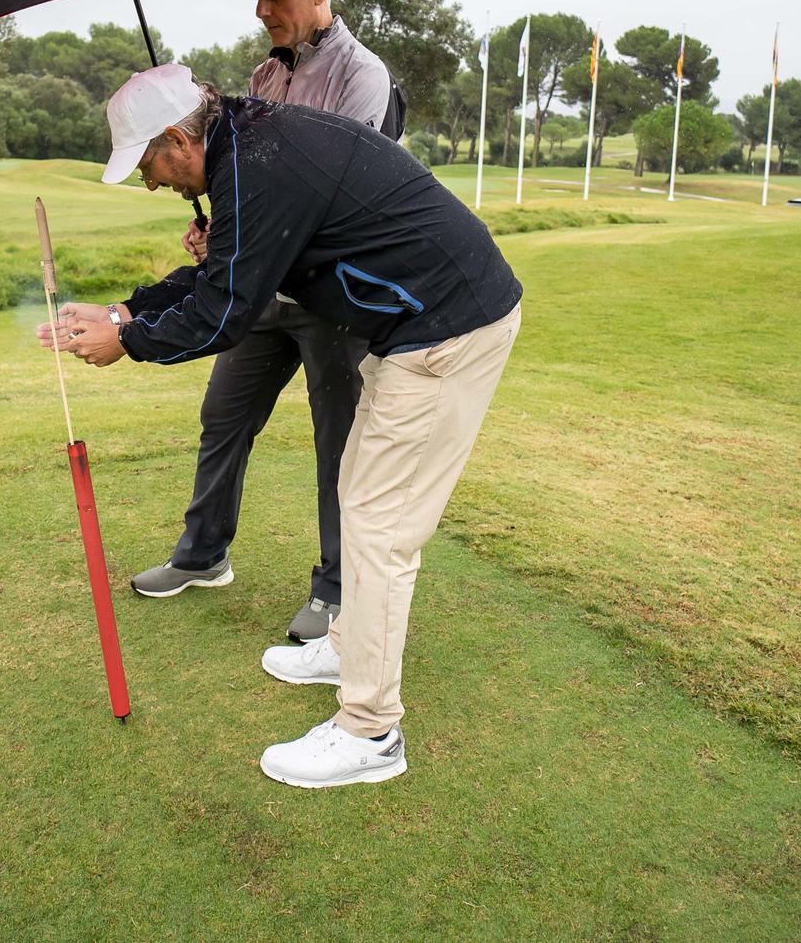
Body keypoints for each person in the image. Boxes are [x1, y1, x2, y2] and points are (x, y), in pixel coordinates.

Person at [37, 64, 522, 788]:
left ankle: (371, 730)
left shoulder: (255, 165)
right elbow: (224, 277)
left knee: (379, 524)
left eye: (150, 163)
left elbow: (225, 314)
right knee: (361, 493)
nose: (150, 181)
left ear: (177, 137)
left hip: (448, 327)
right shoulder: (242, 147)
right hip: (417, 328)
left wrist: (127, 341)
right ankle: (348, 643)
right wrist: (124, 311)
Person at [127, 0, 395, 645]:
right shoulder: (263, 78)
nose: (262, 10)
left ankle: (338, 590)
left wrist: (251, 237)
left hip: (335, 297)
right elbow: (252, 184)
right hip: (268, 293)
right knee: (224, 414)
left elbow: (335, 196)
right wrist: (222, 228)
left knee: (338, 442)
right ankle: (203, 553)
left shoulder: (363, 77)